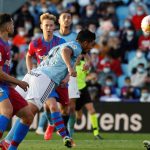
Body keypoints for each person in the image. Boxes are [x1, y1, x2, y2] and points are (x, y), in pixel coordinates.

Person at [1, 29, 96, 149]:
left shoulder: (64, 44)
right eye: (92, 44)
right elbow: (65, 51)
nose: (91, 47)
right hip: (45, 78)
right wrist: (69, 68)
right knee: (29, 113)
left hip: (33, 74)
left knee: (13, 108)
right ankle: (10, 145)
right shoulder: (75, 47)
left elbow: (61, 53)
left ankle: (7, 141)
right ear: (86, 42)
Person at [0, 13, 34, 150]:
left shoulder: (7, 43)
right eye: (12, 23)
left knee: (28, 116)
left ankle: (11, 148)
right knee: (7, 110)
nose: (14, 26)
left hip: (6, 85)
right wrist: (19, 82)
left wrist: (12, 82)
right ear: (7, 25)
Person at [44, 10, 78, 142]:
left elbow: (80, 55)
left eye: (69, 17)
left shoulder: (75, 37)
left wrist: (69, 74)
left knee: (69, 106)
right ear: (58, 21)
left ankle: (66, 131)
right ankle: (51, 124)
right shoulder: (53, 34)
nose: (67, 19)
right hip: (50, 75)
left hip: (69, 74)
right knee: (48, 105)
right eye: (64, 17)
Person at [70, 55, 103, 139]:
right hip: (74, 91)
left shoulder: (83, 64)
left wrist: (90, 75)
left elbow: (90, 73)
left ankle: (96, 133)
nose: (78, 57)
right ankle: (69, 129)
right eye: (76, 56)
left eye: (79, 56)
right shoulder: (70, 65)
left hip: (84, 90)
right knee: (79, 116)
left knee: (92, 110)